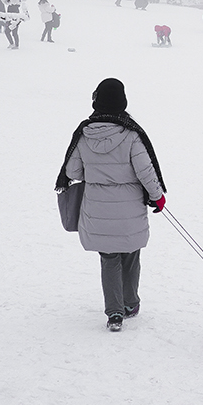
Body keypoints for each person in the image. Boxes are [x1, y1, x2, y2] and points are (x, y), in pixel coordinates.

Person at [55, 78, 166, 332]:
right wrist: (157, 196)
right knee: (130, 254)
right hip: (129, 209)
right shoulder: (131, 134)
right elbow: (146, 171)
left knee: (109, 258)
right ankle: (130, 303)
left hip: (97, 209)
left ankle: (114, 312)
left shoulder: (84, 134)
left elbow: (73, 171)